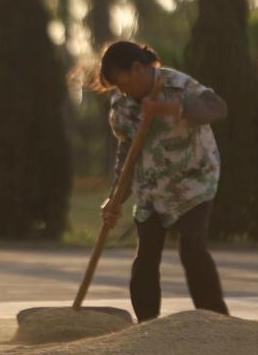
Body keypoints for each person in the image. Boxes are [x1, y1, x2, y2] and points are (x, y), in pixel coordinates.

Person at [96, 41, 229, 322]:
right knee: (145, 257)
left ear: (138, 68)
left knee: (192, 248)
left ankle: (217, 322)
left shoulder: (177, 85)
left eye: (123, 82)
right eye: (117, 88)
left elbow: (217, 108)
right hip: (152, 187)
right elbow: (127, 154)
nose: (123, 91)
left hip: (193, 181)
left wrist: (173, 108)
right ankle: (147, 326)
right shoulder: (121, 106)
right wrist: (115, 199)